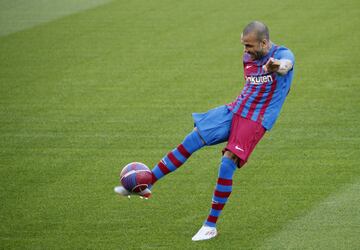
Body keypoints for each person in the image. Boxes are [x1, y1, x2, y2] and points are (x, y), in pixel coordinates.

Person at [115, 21, 295, 241]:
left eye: (249, 46)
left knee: (228, 161)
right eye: (243, 45)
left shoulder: (282, 54)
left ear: (264, 42)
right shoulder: (248, 58)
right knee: (192, 140)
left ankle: (210, 225)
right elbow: (252, 87)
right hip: (235, 109)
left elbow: (286, 65)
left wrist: (276, 66)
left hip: (257, 119)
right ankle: (147, 182)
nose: (245, 50)